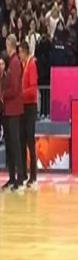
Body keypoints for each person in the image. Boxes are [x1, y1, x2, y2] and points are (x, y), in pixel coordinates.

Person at [1, 35, 24, 191]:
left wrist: (3, 94)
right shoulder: (12, 62)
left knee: (15, 144)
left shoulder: (15, 63)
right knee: (10, 144)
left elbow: (15, 89)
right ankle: (12, 178)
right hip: (9, 109)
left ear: (11, 45)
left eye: (7, 45)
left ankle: (19, 178)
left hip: (14, 109)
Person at [19, 41, 38, 188]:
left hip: (30, 106)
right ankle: (24, 173)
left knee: (30, 141)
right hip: (23, 106)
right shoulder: (23, 64)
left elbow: (33, 89)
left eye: (20, 52)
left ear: (24, 52)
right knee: (23, 140)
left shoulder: (31, 65)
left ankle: (33, 175)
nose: (19, 55)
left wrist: (21, 94)